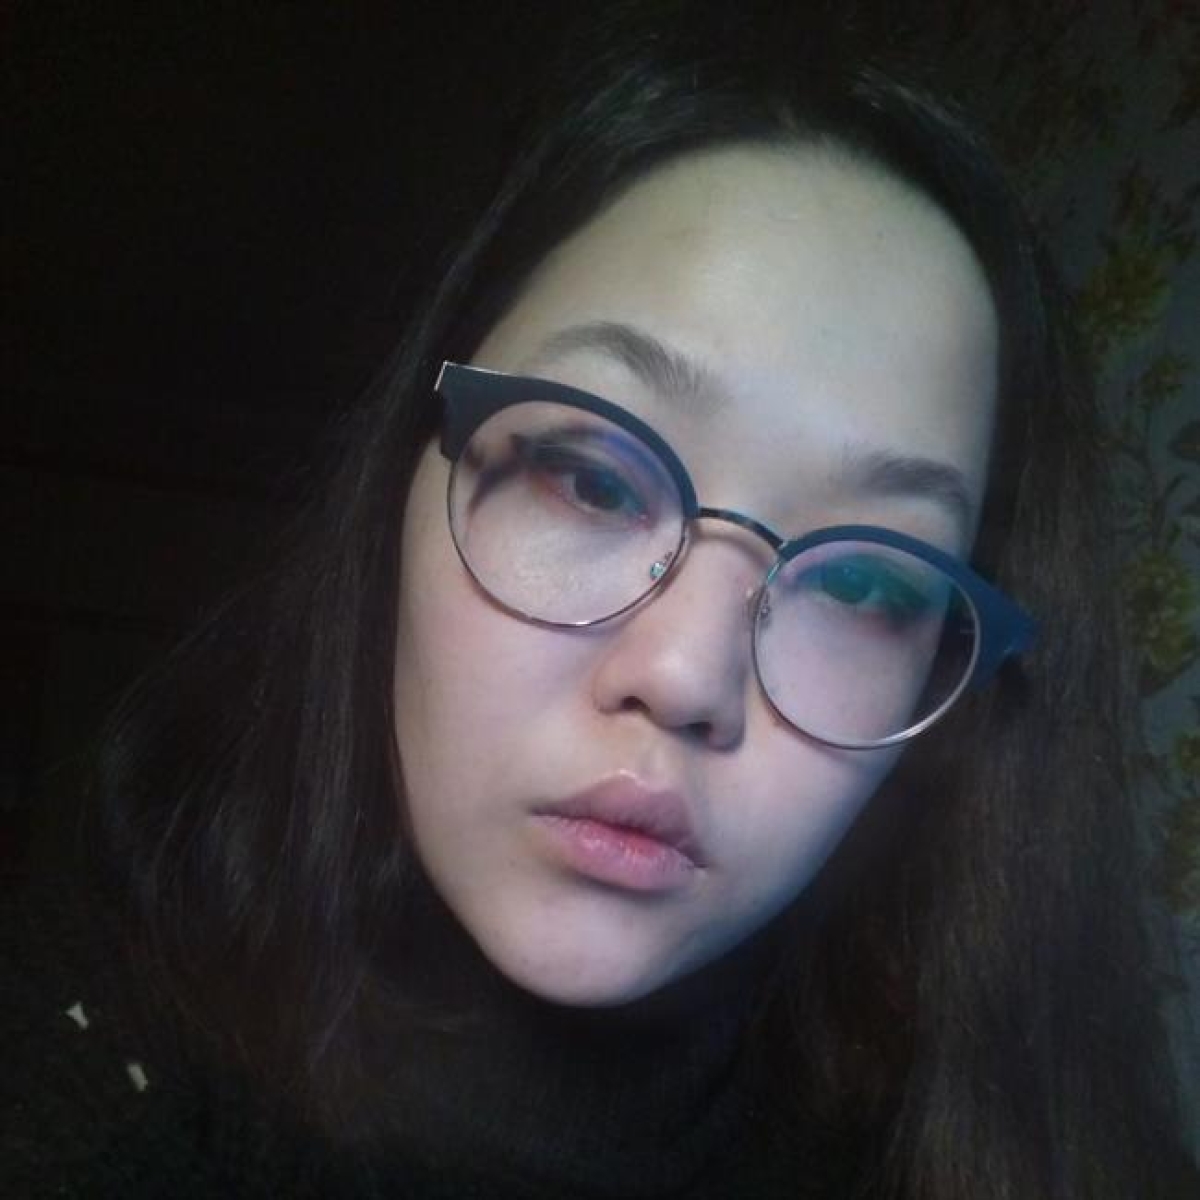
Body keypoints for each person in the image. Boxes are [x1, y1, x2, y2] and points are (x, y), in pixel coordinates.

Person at [3, 6, 1195, 1198]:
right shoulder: (105, 1028)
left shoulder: (1022, 1148)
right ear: (407, 475)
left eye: (863, 582)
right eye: (589, 479)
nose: (683, 677)